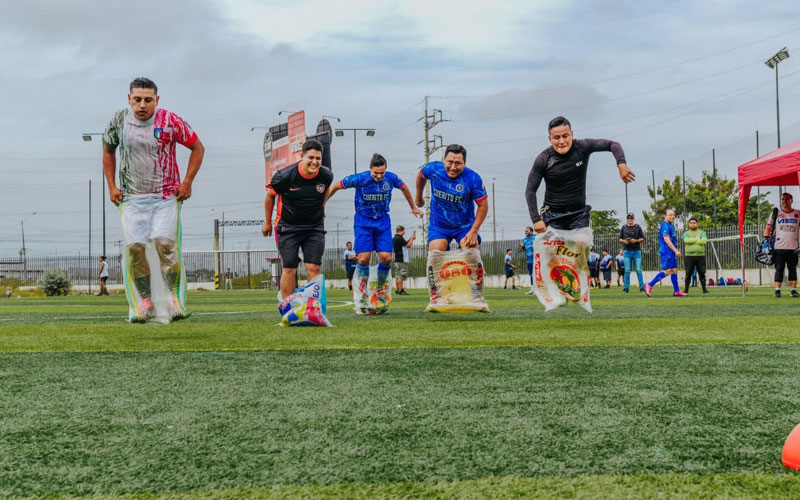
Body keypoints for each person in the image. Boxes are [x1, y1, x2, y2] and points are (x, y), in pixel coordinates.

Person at [103, 77, 204, 322]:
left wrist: (187, 182)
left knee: (165, 245)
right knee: (135, 249)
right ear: (129, 99)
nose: (142, 105)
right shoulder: (118, 120)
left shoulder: (171, 121)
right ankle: (145, 301)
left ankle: (171, 297)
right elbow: (108, 151)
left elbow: (198, 148)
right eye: (137, 99)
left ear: (156, 100)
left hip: (165, 197)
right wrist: (112, 186)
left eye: (148, 100)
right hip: (132, 198)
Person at [326, 153, 423, 309]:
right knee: (363, 259)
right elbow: (336, 186)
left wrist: (413, 207)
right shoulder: (360, 179)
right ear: (370, 169)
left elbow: (404, 187)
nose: (378, 176)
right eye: (375, 173)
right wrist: (322, 205)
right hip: (363, 221)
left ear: (385, 171)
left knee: (386, 258)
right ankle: (362, 294)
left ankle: (380, 290)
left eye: (381, 173)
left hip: (383, 221)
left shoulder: (390, 178)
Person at [525, 116, 635, 232]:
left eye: (565, 136)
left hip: (579, 214)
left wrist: (621, 164)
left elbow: (613, 144)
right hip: (552, 215)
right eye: (556, 138)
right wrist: (536, 220)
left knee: (581, 246)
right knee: (553, 249)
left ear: (571, 134)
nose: (561, 141)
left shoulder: (582, 147)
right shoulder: (543, 159)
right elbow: (530, 190)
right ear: (550, 139)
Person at [262, 139, 333, 307]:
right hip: (288, 227)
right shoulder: (284, 176)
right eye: (311, 158)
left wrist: (322, 208)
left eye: (318, 158)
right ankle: (288, 308)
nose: (315, 162)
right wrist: (267, 223)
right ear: (302, 156)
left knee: (314, 267)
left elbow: (326, 189)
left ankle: (312, 308)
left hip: (314, 227)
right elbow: (269, 196)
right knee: (290, 268)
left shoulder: (326, 175)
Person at [415, 144, 489, 251]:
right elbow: (420, 176)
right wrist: (419, 196)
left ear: (464, 164)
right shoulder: (433, 169)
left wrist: (474, 231)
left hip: (464, 227)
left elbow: (483, 206)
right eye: (450, 162)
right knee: (436, 253)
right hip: (439, 225)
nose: (453, 167)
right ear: (443, 160)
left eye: (458, 163)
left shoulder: (473, 179)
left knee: (471, 252)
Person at [764, 192, 800, 298]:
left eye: (787, 199)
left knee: (792, 268)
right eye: (783, 199)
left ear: (791, 200)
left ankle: (793, 290)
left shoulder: (797, 213)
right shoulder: (776, 213)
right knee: (779, 268)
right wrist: (766, 241)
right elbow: (768, 228)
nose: (784, 201)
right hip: (779, 246)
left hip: (793, 247)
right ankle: (777, 290)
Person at [645, 209, 687, 297]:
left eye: (673, 215)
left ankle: (676, 291)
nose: (672, 216)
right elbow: (667, 240)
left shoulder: (670, 225)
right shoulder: (665, 226)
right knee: (668, 271)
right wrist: (676, 251)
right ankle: (650, 284)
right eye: (670, 215)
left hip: (671, 251)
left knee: (675, 270)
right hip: (666, 252)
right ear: (665, 216)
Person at [619, 212, 646, 293]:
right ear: (627, 219)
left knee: (638, 269)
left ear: (633, 219)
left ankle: (642, 287)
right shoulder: (624, 227)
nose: (630, 220)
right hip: (627, 252)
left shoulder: (638, 227)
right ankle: (626, 288)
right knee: (627, 270)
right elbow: (620, 239)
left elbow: (643, 239)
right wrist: (624, 241)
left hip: (636, 251)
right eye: (628, 218)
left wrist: (635, 240)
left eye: (631, 218)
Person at [682, 217, 709, 294]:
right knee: (688, 273)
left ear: (697, 224)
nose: (693, 224)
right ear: (689, 224)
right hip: (689, 256)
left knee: (702, 273)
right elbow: (686, 240)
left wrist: (692, 240)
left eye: (694, 223)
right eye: (691, 223)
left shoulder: (702, 232)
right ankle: (686, 289)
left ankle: (704, 289)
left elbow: (704, 241)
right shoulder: (686, 233)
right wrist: (697, 239)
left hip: (701, 255)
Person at [392, 226, 416, 295]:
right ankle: (401, 290)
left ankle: (397, 290)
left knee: (397, 275)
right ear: (401, 231)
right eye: (403, 231)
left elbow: (404, 243)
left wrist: (410, 238)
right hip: (402, 259)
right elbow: (408, 245)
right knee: (401, 276)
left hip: (397, 259)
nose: (404, 232)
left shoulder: (394, 238)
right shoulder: (399, 238)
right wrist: (412, 239)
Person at [520, 226, 536, 294]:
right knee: (531, 275)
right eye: (525, 231)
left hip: (536, 259)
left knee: (537, 274)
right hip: (529, 260)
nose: (525, 232)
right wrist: (523, 247)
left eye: (527, 230)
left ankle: (539, 289)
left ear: (531, 231)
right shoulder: (525, 240)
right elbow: (526, 249)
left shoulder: (535, 237)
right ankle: (532, 289)